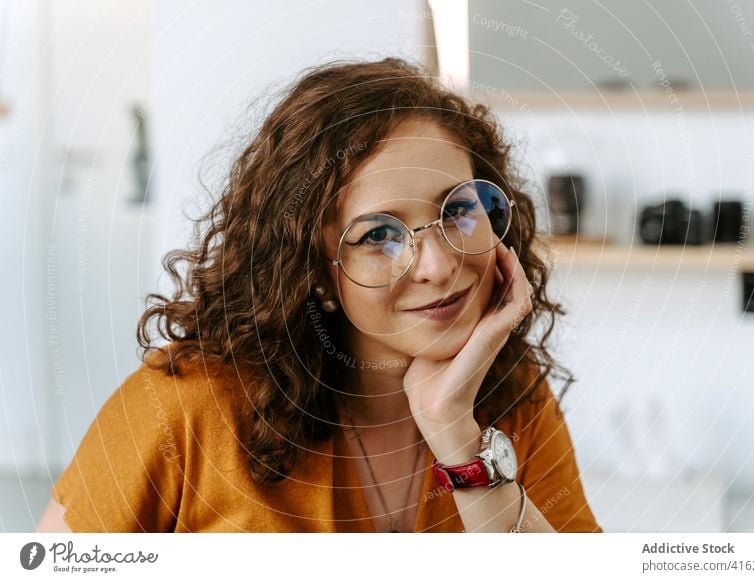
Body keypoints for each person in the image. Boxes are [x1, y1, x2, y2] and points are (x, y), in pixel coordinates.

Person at [37, 56, 602, 533]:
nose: (439, 264)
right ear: (311, 270)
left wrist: (454, 429)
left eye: (458, 210)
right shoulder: (185, 408)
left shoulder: (513, 393)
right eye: (379, 235)